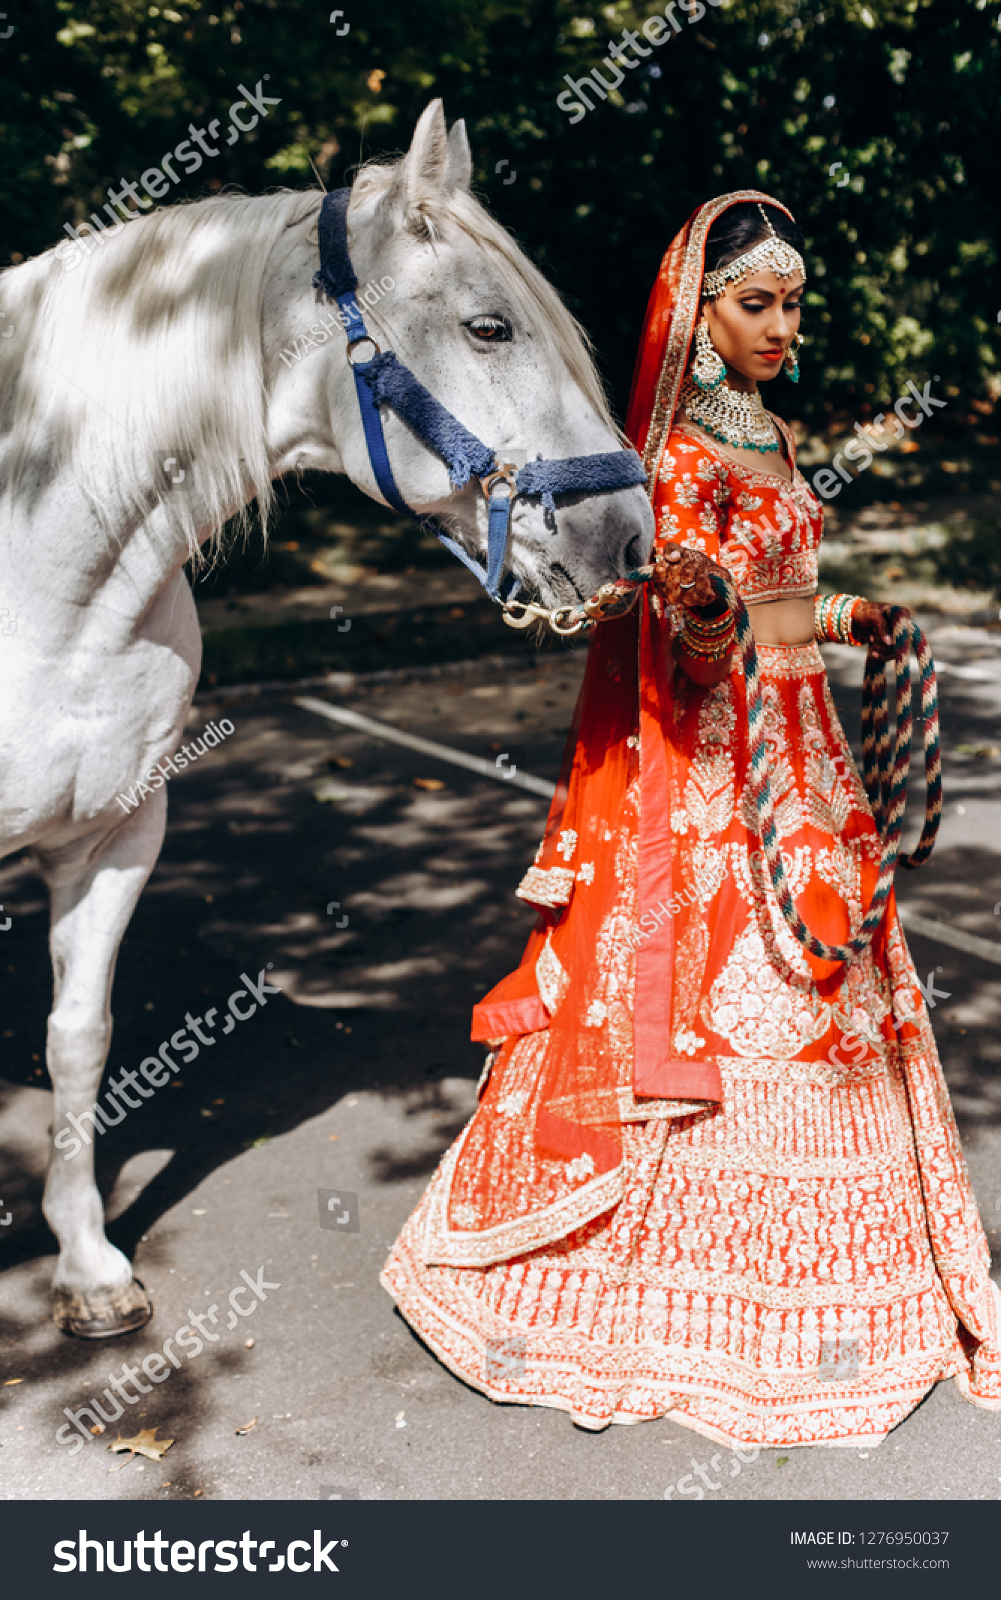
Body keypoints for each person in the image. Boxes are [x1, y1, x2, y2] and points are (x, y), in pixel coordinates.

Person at [381, 191, 1000, 1446]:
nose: (780, 327)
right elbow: (698, 649)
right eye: (755, 304)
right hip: (713, 776)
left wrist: (853, 620)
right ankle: (649, 1287)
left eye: (791, 306)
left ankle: (844, 1283)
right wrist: (701, 616)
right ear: (698, 309)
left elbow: (780, 608)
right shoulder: (668, 462)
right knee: (725, 993)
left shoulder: (766, 435)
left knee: (833, 990)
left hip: (803, 756)